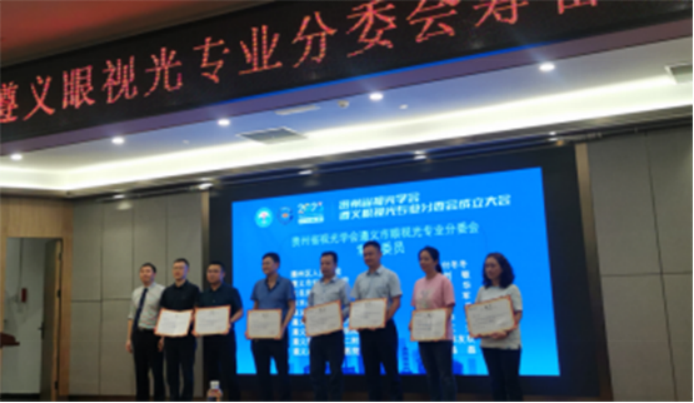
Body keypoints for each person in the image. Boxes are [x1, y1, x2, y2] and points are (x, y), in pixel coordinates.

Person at [352, 241, 404, 403]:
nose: (368, 257)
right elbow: (356, 304)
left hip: (385, 329)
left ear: (380, 254)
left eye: (371, 254)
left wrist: (382, 320)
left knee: (391, 371)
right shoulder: (359, 278)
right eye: (365, 254)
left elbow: (396, 302)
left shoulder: (390, 275)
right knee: (370, 373)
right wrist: (357, 322)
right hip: (366, 332)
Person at [475, 253, 524, 403]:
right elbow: (476, 314)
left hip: (508, 343)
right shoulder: (482, 290)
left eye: (493, 265)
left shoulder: (512, 288)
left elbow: (518, 313)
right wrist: (476, 330)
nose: (489, 269)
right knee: (495, 384)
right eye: (486, 266)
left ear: (502, 268)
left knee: (511, 383)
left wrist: (506, 331)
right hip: (488, 344)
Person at [410, 247, 457, 402]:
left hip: (441, 337)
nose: (422, 262)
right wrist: (412, 322)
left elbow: (449, 307)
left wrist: (438, 326)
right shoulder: (418, 283)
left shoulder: (444, 281)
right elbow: (416, 308)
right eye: (420, 259)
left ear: (435, 261)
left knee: (445, 376)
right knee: (431, 375)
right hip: (424, 335)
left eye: (426, 259)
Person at [304, 252, 351, 402]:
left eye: (328, 263)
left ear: (335, 265)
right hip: (317, 336)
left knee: (335, 372)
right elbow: (310, 306)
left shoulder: (342, 284)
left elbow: (350, 306)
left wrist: (338, 317)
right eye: (322, 263)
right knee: (316, 373)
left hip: (334, 335)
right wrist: (307, 317)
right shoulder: (315, 286)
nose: (324, 266)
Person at [249, 253, 296, 402]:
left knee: (282, 372)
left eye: (268, 263)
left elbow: (292, 307)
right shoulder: (258, 285)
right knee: (262, 374)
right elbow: (255, 307)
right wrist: (250, 328)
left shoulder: (286, 283)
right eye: (263, 263)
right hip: (260, 336)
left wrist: (283, 327)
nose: (265, 266)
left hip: (278, 335)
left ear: (277, 264)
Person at [196, 262, 244, 402]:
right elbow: (199, 313)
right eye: (209, 271)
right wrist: (197, 327)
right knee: (212, 372)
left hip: (226, 337)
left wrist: (230, 322)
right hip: (209, 338)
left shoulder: (231, 291)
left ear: (223, 274)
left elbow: (240, 311)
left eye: (216, 271)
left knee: (229, 371)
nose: (212, 274)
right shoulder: (203, 294)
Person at [160, 258, 201, 403]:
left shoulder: (194, 289)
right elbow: (163, 313)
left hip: (186, 337)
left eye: (181, 268)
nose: (177, 271)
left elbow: (197, 311)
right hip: (170, 337)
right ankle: (174, 398)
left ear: (187, 270)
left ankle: (187, 398)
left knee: (187, 371)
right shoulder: (167, 291)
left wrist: (189, 321)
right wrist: (162, 337)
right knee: (171, 372)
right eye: (175, 268)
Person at [127, 263, 166, 403]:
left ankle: (159, 399)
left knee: (157, 371)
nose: (145, 274)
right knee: (140, 371)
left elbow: (165, 315)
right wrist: (129, 338)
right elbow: (131, 316)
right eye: (142, 271)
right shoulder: (136, 292)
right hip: (139, 334)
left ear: (154, 274)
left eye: (148, 271)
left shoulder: (162, 291)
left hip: (154, 335)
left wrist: (163, 337)